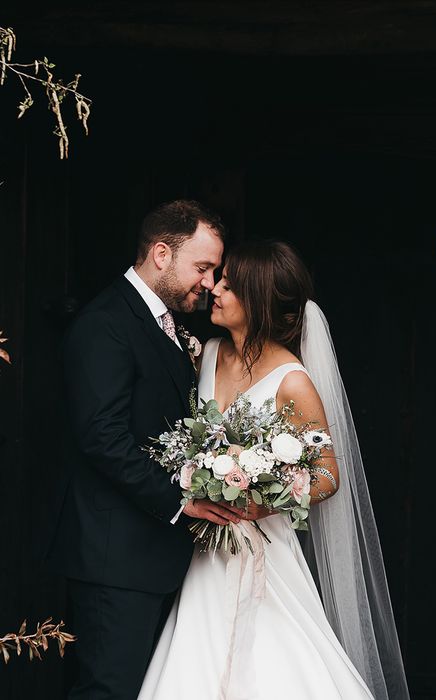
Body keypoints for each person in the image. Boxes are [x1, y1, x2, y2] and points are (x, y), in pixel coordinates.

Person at [139, 240, 410, 699]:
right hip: (204, 549)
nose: (215, 290)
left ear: (258, 300)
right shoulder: (207, 352)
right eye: (217, 279)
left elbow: (327, 475)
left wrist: (259, 501)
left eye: (228, 284)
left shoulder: (293, 381)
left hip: (262, 547)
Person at [46, 200, 243, 700]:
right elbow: (103, 438)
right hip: (115, 559)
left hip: (152, 558)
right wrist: (181, 501)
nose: (209, 281)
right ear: (161, 253)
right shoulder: (106, 322)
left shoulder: (169, 326)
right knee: (108, 691)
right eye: (202, 267)